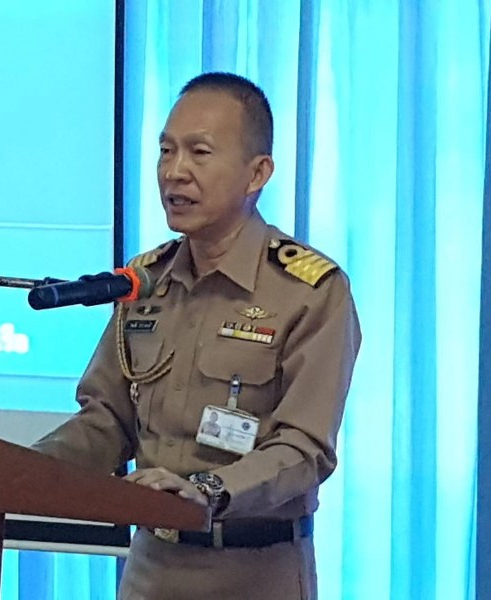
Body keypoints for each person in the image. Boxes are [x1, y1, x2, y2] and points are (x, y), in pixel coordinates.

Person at [33, 72, 361, 599]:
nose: (174, 172)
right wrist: (20, 469)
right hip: (151, 569)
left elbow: (304, 450)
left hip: (256, 572)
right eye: (166, 151)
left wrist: (206, 491)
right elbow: (107, 419)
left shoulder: (309, 291)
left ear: (258, 173)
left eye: (199, 153)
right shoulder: (146, 281)